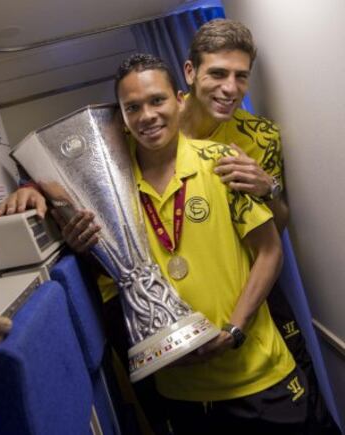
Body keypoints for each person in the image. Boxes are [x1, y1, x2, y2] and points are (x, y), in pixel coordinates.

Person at [57, 53, 311, 434]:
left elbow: (270, 252)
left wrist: (235, 329)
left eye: (157, 100)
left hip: (259, 375)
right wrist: (27, 197)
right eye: (133, 107)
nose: (147, 116)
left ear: (179, 99)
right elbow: (51, 179)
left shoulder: (222, 162)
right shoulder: (111, 190)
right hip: (181, 390)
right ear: (123, 119)